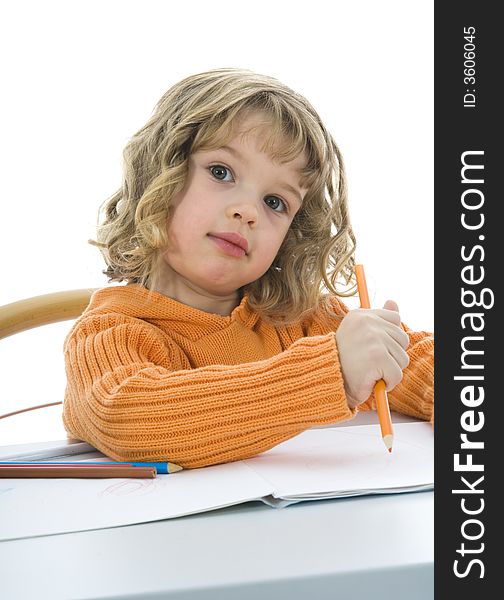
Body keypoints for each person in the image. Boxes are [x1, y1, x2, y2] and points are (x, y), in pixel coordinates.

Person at [63, 68, 433, 469]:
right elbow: (129, 418)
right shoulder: (110, 331)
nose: (248, 211)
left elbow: (417, 366)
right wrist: (332, 373)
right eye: (221, 172)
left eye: (276, 202)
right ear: (160, 174)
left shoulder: (303, 321)